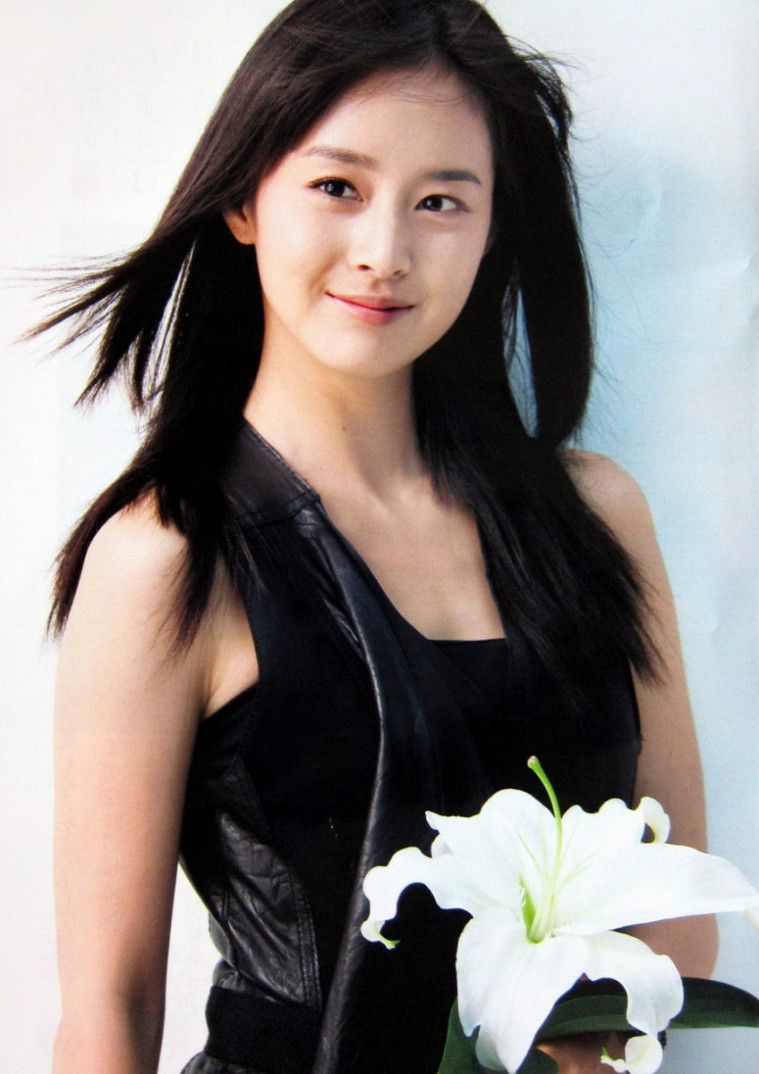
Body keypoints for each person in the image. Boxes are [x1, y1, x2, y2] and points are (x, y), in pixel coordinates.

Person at [43, 2, 717, 1072]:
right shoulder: (169, 557)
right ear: (244, 200)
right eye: (338, 188)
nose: (384, 252)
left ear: (494, 228)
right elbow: (108, 1013)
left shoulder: (596, 518)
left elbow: (679, 912)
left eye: (440, 201)